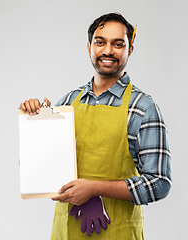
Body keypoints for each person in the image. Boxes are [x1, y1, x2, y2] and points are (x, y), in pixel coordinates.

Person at [20, 12, 172, 240]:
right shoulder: (68, 102)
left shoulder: (142, 108)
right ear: (89, 46)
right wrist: (35, 122)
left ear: (129, 50)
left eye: (118, 44)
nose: (108, 51)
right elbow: (36, 171)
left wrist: (95, 190)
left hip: (118, 233)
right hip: (66, 233)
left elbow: (159, 182)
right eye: (100, 42)